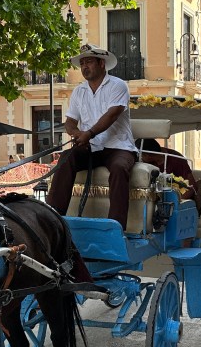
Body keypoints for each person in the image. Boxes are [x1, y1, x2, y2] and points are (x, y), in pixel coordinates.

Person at [46, 43, 137, 228]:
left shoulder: (118, 85)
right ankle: (52, 219)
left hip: (119, 147)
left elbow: (112, 114)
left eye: (89, 62)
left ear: (101, 63)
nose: (85, 67)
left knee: (119, 168)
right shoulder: (79, 91)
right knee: (66, 158)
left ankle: (116, 226)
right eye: (82, 64)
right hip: (91, 148)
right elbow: (69, 122)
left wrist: (89, 133)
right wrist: (76, 133)